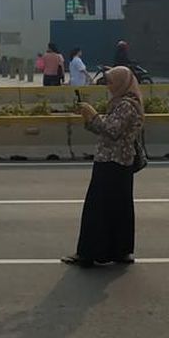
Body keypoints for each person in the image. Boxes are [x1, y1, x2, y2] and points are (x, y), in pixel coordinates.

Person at [62, 66, 145, 267]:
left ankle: (89, 253)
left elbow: (112, 130)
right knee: (118, 208)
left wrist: (93, 115)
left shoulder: (127, 105)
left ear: (121, 83)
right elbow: (105, 130)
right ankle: (120, 251)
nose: (109, 86)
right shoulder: (123, 102)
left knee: (97, 208)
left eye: (111, 82)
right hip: (118, 162)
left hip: (112, 162)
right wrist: (87, 116)